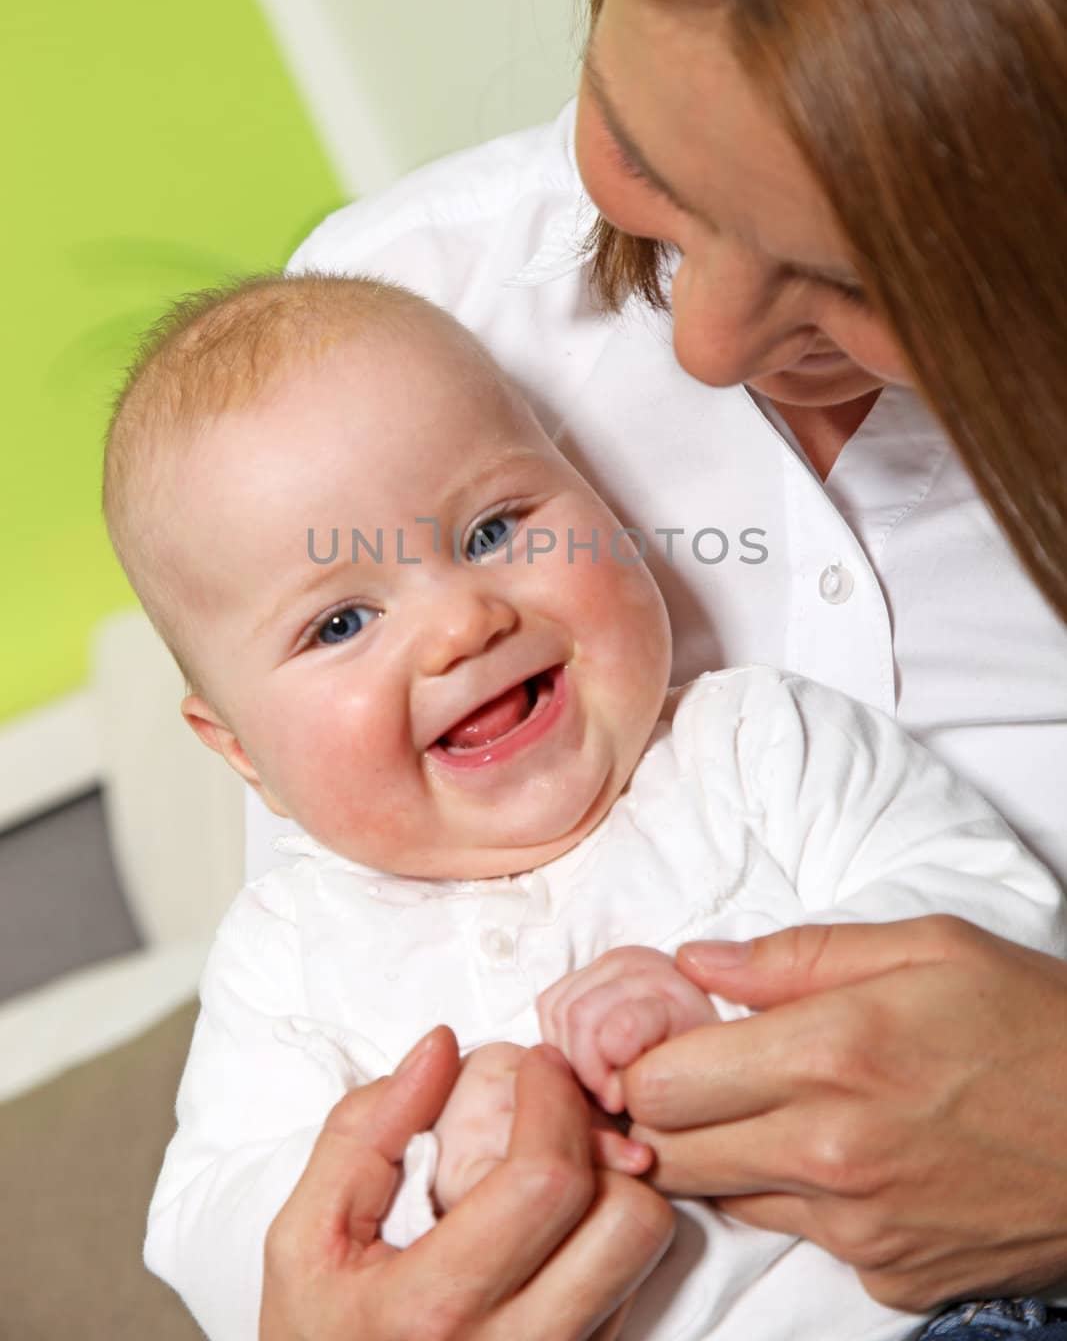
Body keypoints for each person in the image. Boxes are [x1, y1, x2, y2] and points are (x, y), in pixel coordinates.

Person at [243, 0, 1067, 1336]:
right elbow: (330, 988)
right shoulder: (399, 321)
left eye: (855, 273)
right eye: (640, 154)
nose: (699, 347)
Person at [103, 274, 1064, 1341]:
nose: (461, 623)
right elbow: (207, 1230)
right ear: (243, 754)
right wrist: (427, 1172)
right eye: (340, 623)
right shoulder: (286, 948)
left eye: (494, 529)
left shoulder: (750, 743)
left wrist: (721, 998)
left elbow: (994, 916)